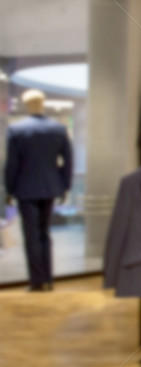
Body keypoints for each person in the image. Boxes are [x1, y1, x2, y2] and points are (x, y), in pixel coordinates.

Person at [4, 89, 73, 292]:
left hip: (26, 188)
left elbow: (12, 164)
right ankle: (48, 279)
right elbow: (68, 161)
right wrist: (64, 186)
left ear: (27, 105)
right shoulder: (58, 130)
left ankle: (37, 280)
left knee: (32, 235)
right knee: (45, 233)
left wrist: (9, 189)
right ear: (43, 104)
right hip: (51, 187)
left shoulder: (17, 130)